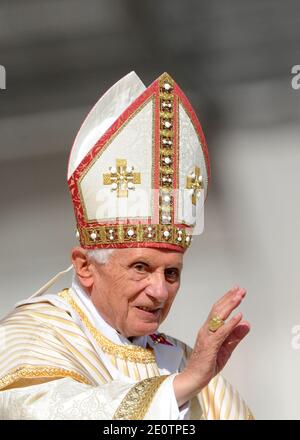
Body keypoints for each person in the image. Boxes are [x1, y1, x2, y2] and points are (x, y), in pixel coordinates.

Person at [0, 72, 253, 420]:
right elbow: (38, 412)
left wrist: (190, 379)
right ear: (86, 267)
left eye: (172, 273)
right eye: (141, 268)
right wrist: (181, 387)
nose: (160, 290)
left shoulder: (181, 361)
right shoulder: (33, 333)